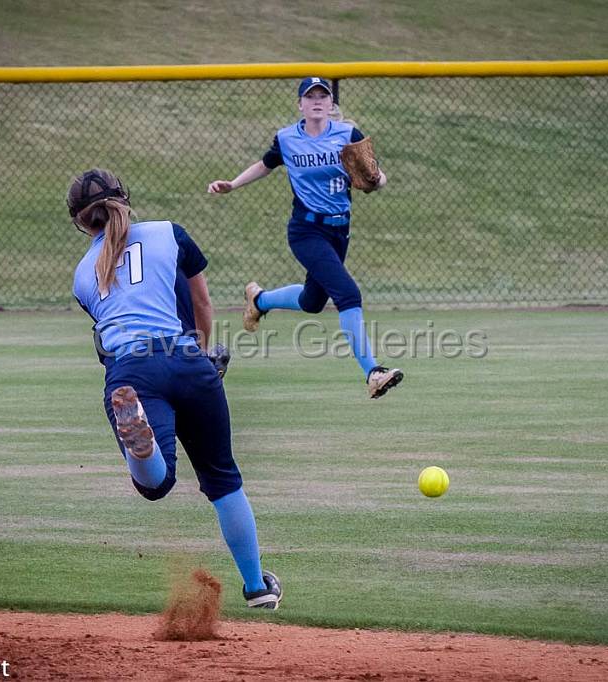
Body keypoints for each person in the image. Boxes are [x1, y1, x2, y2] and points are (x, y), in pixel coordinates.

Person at [69, 168, 281, 609]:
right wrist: (201, 357)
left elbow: (112, 333)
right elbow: (201, 303)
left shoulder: (82, 275)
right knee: (223, 479)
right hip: (187, 359)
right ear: (126, 198)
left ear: (81, 223)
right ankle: (257, 587)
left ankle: (143, 451)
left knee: (155, 485)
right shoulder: (170, 233)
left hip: (131, 371)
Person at [208, 77, 403, 399]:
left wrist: (377, 180)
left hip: (340, 231)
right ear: (300, 104)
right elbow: (265, 165)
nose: (316, 100)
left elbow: (375, 179)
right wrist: (232, 183)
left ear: (330, 104)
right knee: (348, 294)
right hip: (306, 230)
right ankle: (373, 371)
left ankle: (260, 300)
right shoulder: (287, 139)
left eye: (322, 96)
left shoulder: (347, 136)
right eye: (309, 96)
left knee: (313, 302)